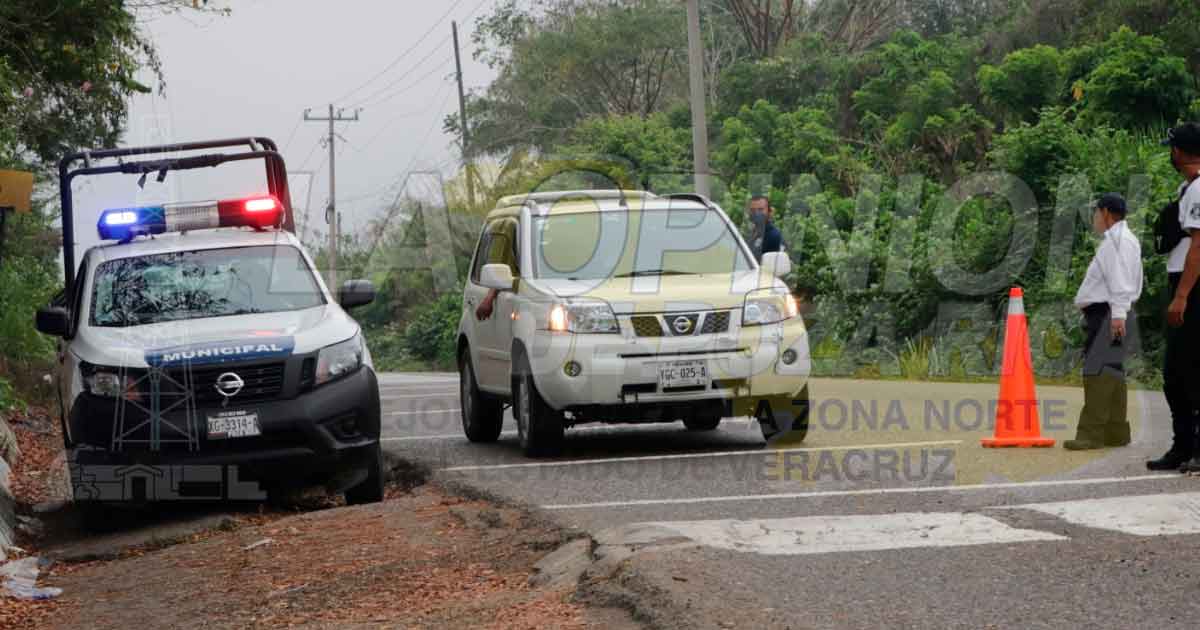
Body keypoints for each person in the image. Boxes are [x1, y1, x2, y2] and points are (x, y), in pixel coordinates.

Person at [1064, 193, 1143, 450]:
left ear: (1107, 212)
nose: (1095, 218)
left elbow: (1119, 281)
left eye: (1096, 212)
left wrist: (1117, 315)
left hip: (1109, 312)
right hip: (1116, 310)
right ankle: (1115, 431)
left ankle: (1091, 434)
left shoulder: (1117, 242)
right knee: (1112, 371)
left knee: (1097, 371)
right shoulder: (1124, 239)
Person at [1147, 123, 1200, 471]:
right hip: (1184, 281)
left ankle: (1192, 447)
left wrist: (1182, 295)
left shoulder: (1198, 189)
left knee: (1189, 369)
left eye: (1172, 148)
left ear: (1178, 151)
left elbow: (1199, 245)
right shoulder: (1188, 188)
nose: (1170, 153)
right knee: (1177, 372)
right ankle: (1184, 446)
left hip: (1193, 285)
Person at [747, 195, 783, 262]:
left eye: (760, 209)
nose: (756, 213)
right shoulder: (751, 233)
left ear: (770, 212)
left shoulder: (773, 236)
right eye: (752, 210)